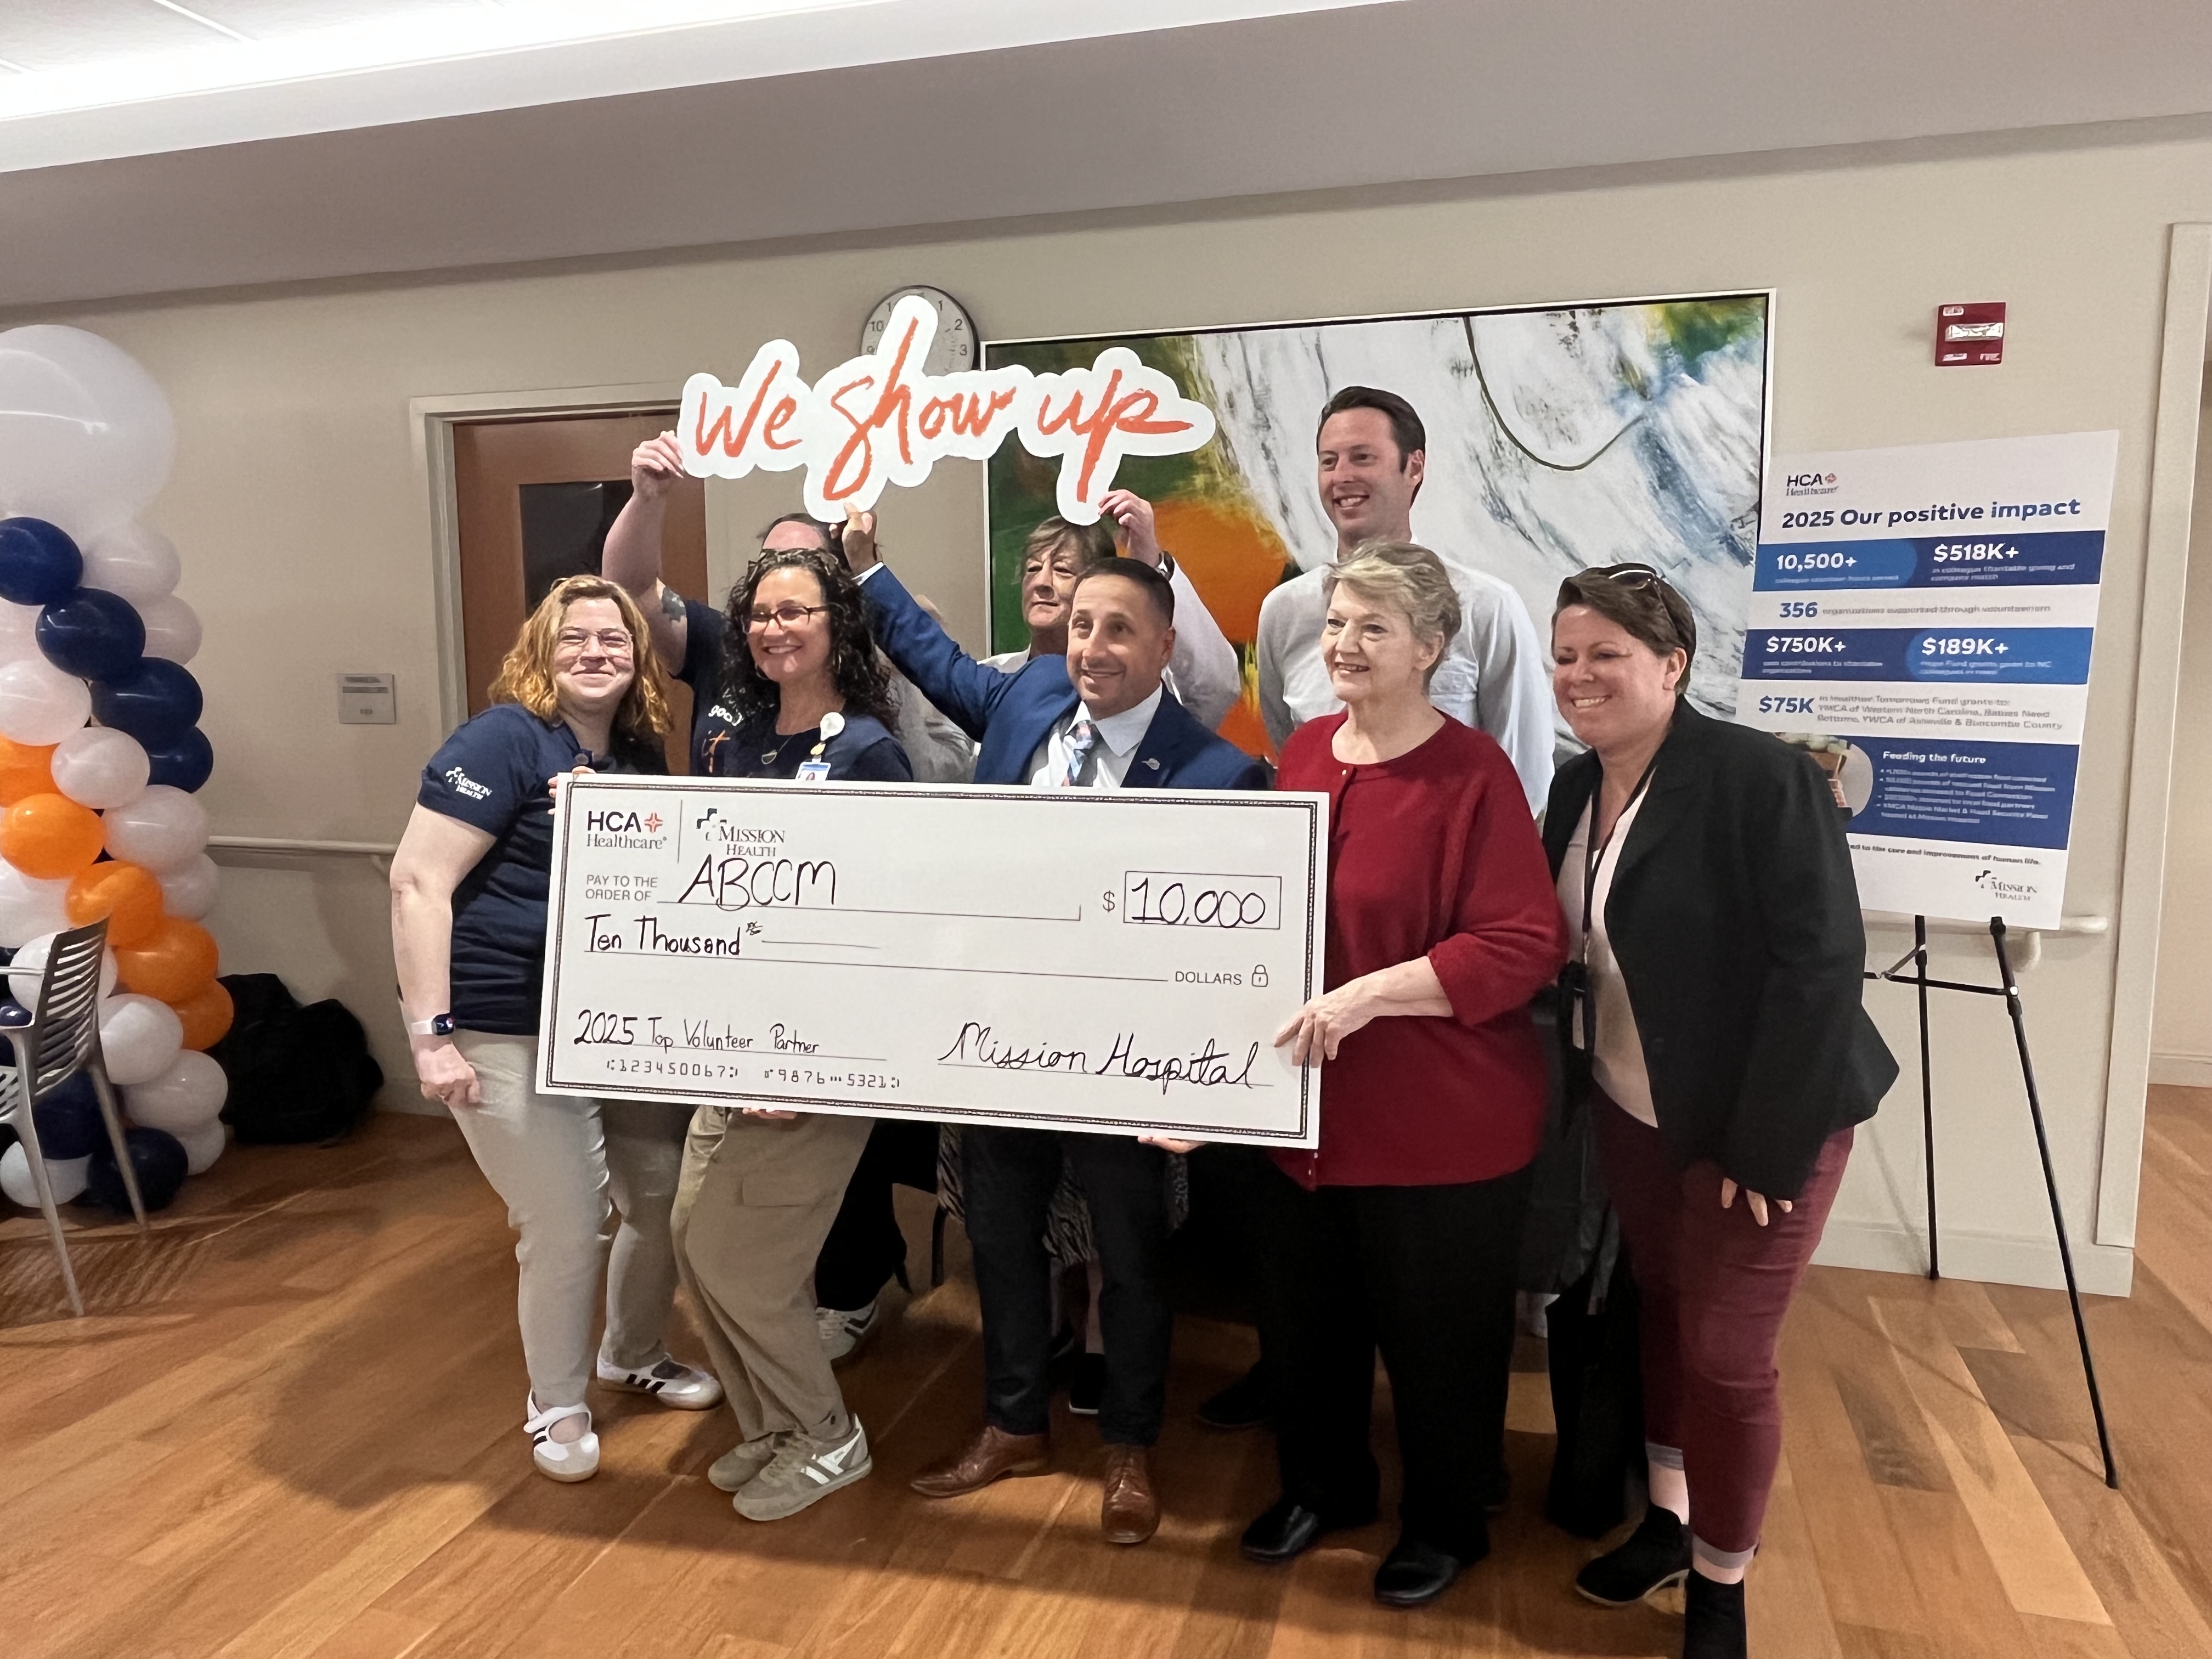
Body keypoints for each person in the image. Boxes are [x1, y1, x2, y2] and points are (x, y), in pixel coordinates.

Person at [848, 520, 1266, 1545]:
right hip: (1001, 1047)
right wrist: (865, 564)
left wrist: (1206, 1083)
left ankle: (1128, 1444)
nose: (1093, 646)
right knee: (1001, 1241)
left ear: (1165, 645)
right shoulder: (1028, 700)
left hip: (1129, 1068)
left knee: (1131, 1258)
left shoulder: (1221, 774)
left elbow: (1238, 959)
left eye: (1119, 628)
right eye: (1082, 625)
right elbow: (932, 656)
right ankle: (1013, 1423)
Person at [1544, 563, 1896, 1659]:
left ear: (1672, 665)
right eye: (1565, 655)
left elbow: (1821, 964)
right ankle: (1669, 1520)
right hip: (1634, 1107)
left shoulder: (1758, 777)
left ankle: (1721, 1587)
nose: (1579, 674)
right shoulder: (1572, 786)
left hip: (1762, 1120)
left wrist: (1769, 1144)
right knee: (1662, 1309)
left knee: (1728, 1355)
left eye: (1606, 653)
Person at [1239, 540, 1567, 1607]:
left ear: (1430, 647)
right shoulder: (1304, 755)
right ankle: (1323, 1488)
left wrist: (1368, 995)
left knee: (1441, 1345)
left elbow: (1522, 944)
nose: (1343, 643)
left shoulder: (1473, 773)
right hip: (1307, 1118)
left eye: (1372, 627)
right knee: (1307, 1331)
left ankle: (1447, 1521)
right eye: (1336, 622)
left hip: (1440, 1125)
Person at [602, 436, 949, 1364]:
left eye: (803, 594)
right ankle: (770, 1327)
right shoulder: (733, 678)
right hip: (733, 983)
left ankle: (839, 1305)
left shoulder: (865, 730)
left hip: (825, 997)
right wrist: (649, 498)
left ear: (836, 603)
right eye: (766, 596)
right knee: (721, 1201)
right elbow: (628, 586)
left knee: (827, 1170)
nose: (777, 618)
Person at [391, 575, 722, 1485]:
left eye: (614, 638)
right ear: (542, 650)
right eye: (574, 637)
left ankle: (632, 1351)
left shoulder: (637, 754)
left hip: (613, 1023)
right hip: (503, 1020)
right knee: (568, 1219)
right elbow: (417, 882)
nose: (594, 652)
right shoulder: (502, 739)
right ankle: (557, 1401)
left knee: (661, 1197)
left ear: (638, 657)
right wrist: (430, 1035)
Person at [668, 545, 912, 1521]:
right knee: (693, 1242)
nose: (775, 629)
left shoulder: (870, 754)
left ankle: (825, 1433)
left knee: (747, 1262)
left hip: (816, 1060)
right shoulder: (740, 740)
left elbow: (887, 927)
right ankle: (771, 1422)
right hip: (732, 1042)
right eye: (760, 614)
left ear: (837, 625)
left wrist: (816, 1062)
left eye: (795, 611)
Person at [1255, 386, 1554, 810]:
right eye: (1329, 461)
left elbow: (1524, 777)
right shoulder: (1284, 611)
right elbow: (1291, 749)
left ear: (1414, 467)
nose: (1342, 477)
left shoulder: (1486, 606)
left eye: (1363, 457)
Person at [983, 492, 1242, 732]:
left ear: (1100, 586)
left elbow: (1217, 688)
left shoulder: (1142, 690)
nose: (1041, 583)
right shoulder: (989, 680)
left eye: (1062, 570)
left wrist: (1152, 565)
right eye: (1032, 569)